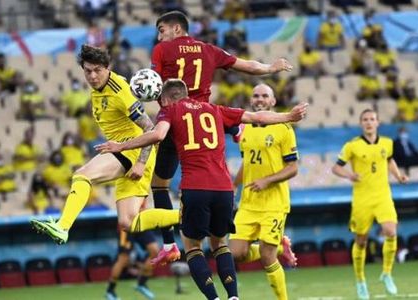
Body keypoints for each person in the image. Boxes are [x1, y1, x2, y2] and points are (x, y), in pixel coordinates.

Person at [96, 79, 308, 300]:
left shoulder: (170, 110)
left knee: (193, 248)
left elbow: (157, 135)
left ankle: (214, 298)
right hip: (224, 189)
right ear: (186, 94)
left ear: (167, 99)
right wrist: (289, 116)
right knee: (221, 245)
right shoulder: (215, 109)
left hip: (195, 187)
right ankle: (233, 297)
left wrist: (121, 145)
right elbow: (255, 117)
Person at [150, 10, 294, 265]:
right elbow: (248, 66)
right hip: (207, 122)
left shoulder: (162, 51)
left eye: (161, 30)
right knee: (214, 185)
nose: (159, 35)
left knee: (159, 184)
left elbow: (155, 86)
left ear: (176, 29)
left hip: (177, 122)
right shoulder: (209, 49)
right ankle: (233, 128)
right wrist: (271, 68)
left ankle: (169, 244)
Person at [30, 45, 179, 244]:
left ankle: (63, 226)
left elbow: (150, 128)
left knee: (82, 175)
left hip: (132, 150)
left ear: (108, 68)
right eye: (88, 71)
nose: (92, 76)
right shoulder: (97, 90)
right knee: (128, 222)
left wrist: (141, 163)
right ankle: (186, 215)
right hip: (127, 151)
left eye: (97, 70)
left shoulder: (119, 91)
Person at [229, 84, 299, 300]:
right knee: (235, 254)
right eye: (256, 95)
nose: (260, 99)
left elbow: (293, 168)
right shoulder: (245, 129)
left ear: (273, 101)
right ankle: (280, 247)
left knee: (267, 257)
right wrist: (233, 184)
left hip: (274, 204)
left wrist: (267, 180)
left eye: (264, 96)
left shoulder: (283, 128)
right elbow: (247, 163)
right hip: (249, 203)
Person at [331, 108, 408, 300]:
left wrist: (398, 176)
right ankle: (360, 281)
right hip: (362, 199)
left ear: (378, 122)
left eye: (372, 119)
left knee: (391, 231)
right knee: (361, 241)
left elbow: (389, 161)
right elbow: (335, 167)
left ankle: (387, 273)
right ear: (361, 123)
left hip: (383, 196)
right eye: (365, 119)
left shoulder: (387, 143)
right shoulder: (352, 146)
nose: (369, 122)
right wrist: (349, 175)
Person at [106, 228, 159, 300]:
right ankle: (110, 291)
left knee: (155, 252)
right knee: (123, 259)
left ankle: (141, 284)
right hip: (127, 226)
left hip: (142, 224)